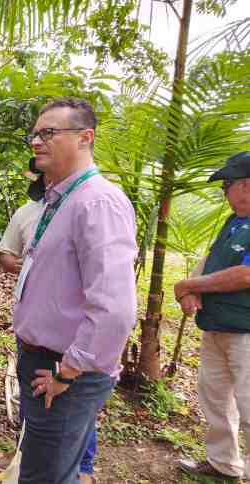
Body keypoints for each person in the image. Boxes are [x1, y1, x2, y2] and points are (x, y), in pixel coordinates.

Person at [13, 98, 137, 484]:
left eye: (49, 132)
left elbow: (114, 307)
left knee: (44, 477)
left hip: (64, 369)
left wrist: (67, 373)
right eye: (35, 133)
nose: (37, 141)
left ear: (85, 138)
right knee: (50, 470)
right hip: (45, 359)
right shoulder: (63, 198)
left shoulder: (97, 203)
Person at [0, 160, 98, 484]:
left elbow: (108, 293)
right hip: (34, 333)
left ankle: (83, 467)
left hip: (72, 335)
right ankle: (28, 458)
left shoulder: (87, 208)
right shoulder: (27, 212)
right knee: (35, 404)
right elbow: (6, 255)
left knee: (75, 413)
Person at [174, 152, 250, 483]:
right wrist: (189, 290)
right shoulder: (234, 221)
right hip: (218, 327)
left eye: (227, 185)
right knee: (215, 399)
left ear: (246, 186)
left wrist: (190, 284)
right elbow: (212, 258)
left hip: (246, 332)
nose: (224, 192)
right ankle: (223, 464)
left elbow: (246, 275)